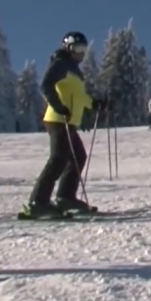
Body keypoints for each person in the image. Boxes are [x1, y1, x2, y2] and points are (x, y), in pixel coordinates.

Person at [24, 32, 110, 217]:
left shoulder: (75, 71)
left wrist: (95, 104)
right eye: (78, 48)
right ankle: (37, 202)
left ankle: (65, 197)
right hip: (57, 118)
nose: (81, 53)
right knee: (59, 158)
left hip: (69, 122)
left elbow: (80, 96)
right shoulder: (60, 63)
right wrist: (58, 106)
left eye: (84, 49)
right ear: (68, 47)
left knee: (78, 156)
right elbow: (46, 85)